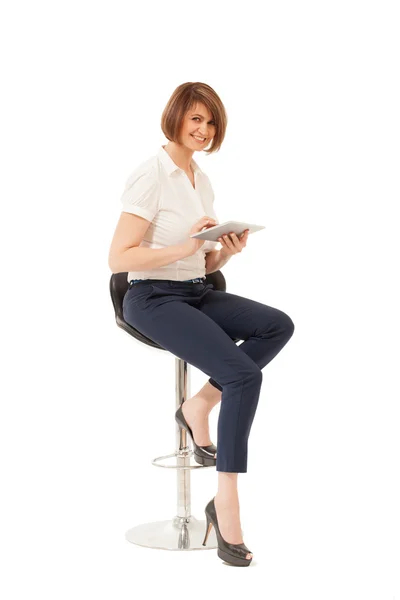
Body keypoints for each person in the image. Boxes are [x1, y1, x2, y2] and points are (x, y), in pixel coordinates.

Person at [108, 81, 295, 566]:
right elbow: (118, 257)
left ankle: (198, 407)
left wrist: (220, 254)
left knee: (277, 325)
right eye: (195, 119)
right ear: (175, 118)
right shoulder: (151, 175)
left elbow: (201, 265)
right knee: (243, 375)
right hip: (149, 297)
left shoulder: (200, 179)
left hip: (195, 291)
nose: (204, 130)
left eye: (210, 122)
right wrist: (187, 249)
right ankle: (226, 501)